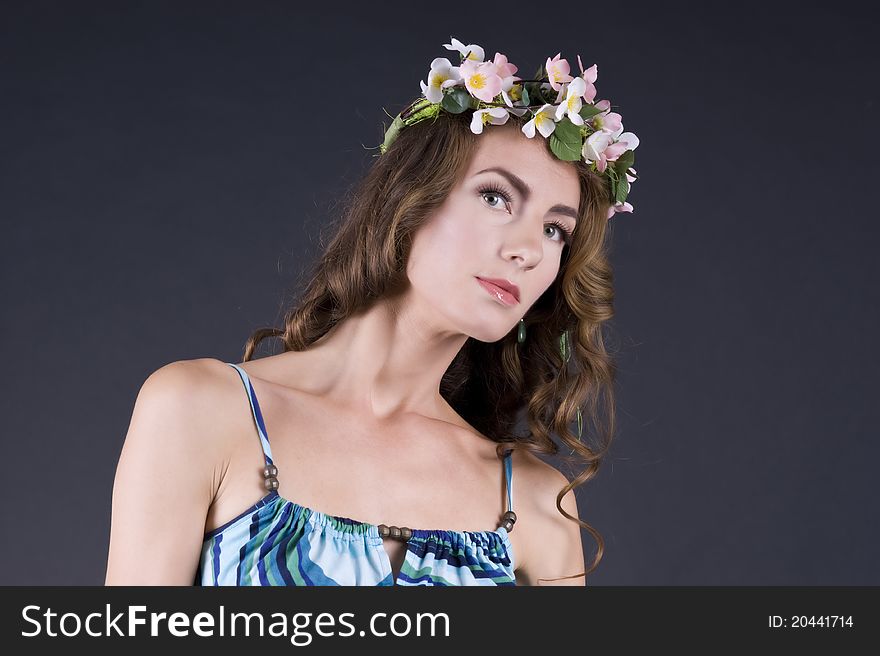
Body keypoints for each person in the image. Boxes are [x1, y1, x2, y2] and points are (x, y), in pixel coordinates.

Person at [104, 37, 638, 586]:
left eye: (555, 230)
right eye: (496, 197)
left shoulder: (537, 507)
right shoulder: (200, 410)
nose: (528, 248)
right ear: (410, 198)